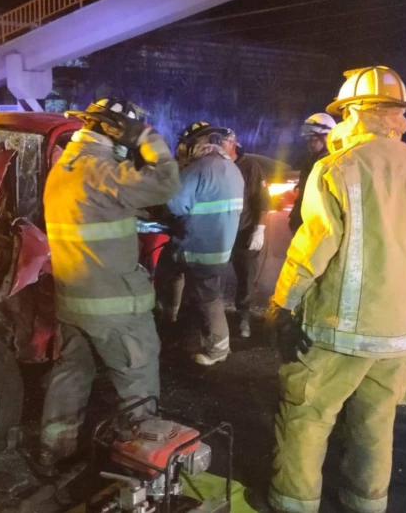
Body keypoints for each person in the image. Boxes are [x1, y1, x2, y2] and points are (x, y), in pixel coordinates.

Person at [264, 66, 406, 513]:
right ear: (398, 114)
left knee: (307, 419)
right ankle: (366, 503)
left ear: (354, 112)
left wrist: (283, 303)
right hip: (399, 334)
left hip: (337, 332)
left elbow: (313, 247)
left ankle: (293, 504)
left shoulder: (337, 167)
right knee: (375, 425)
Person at [38, 98, 180, 474]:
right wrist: (147, 137)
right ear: (112, 131)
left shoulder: (63, 166)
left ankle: (55, 452)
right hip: (114, 306)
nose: (129, 145)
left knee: (71, 375)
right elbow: (167, 182)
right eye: (127, 135)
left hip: (73, 300)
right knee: (138, 376)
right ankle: (139, 467)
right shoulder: (101, 170)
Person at [161, 122, 244, 366]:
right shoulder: (232, 168)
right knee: (194, 284)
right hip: (220, 245)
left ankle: (217, 349)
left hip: (197, 245)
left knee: (206, 296)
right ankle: (174, 319)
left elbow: (175, 205)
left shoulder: (198, 169)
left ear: (196, 144)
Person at [223, 138, 271, 338]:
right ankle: (212, 318)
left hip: (243, 232)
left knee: (246, 278)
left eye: (222, 142)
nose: (218, 146)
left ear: (233, 144)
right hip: (221, 232)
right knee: (212, 276)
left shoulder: (250, 166)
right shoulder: (218, 166)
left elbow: (262, 199)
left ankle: (244, 317)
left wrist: (259, 228)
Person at [289, 113, 336, 234]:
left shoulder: (333, 165)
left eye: (313, 140)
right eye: (307, 140)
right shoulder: (310, 162)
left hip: (321, 227)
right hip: (306, 225)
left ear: (327, 138)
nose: (309, 144)